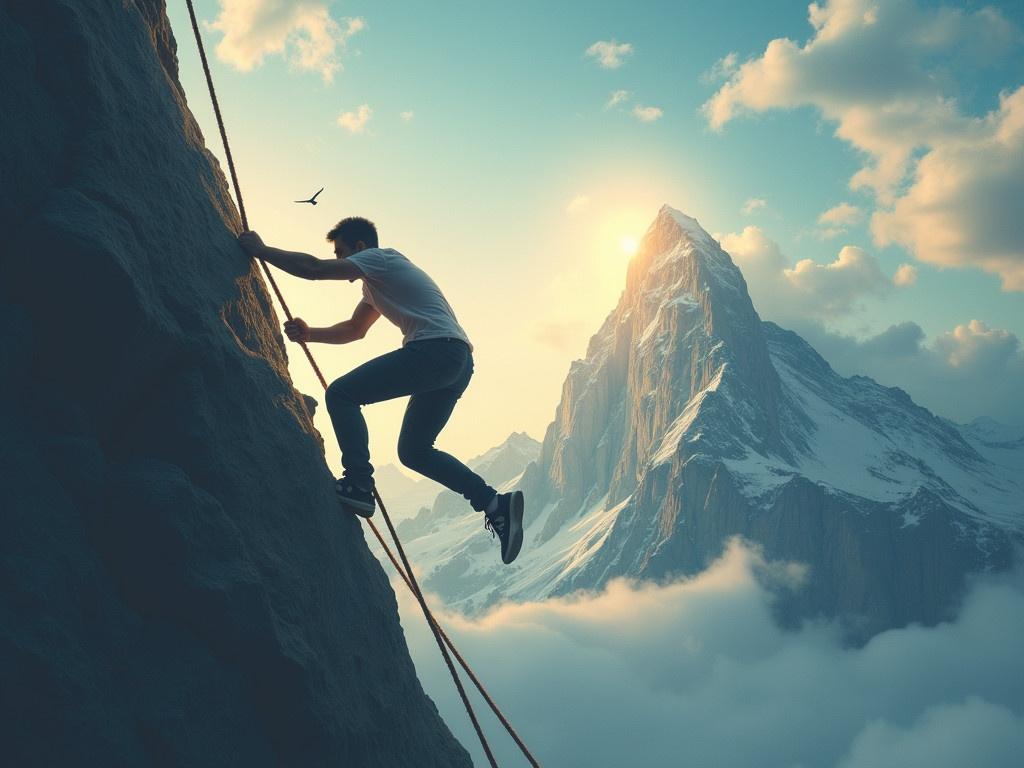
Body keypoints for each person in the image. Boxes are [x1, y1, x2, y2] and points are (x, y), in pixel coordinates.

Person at [237, 217, 524, 565]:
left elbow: (313, 269)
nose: (342, 262)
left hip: (435, 350)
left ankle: (358, 483)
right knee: (414, 451)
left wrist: (261, 250)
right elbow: (355, 330)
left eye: (342, 252)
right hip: (458, 362)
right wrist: (310, 334)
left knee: (342, 394)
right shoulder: (375, 286)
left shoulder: (380, 259)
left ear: (359, 248)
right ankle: (495, 504)